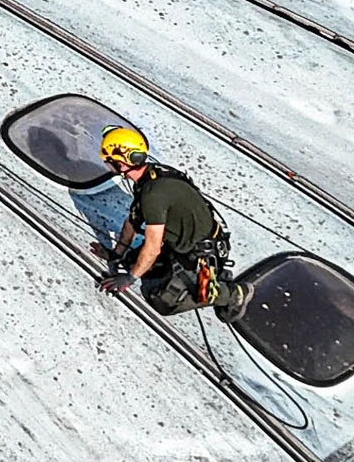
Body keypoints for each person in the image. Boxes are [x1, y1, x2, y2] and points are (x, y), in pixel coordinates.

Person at [96, 126, 248, 318]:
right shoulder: (152, 175)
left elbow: (152, 248)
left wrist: (129, 278)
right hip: (183, 242)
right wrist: (116, 254)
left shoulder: (153, 194)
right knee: (133, 261)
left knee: (161, 300)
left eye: (108, 161)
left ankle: (233, 294)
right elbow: (133, 221)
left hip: (199, 254)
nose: (106, 165)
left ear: (121, 164)